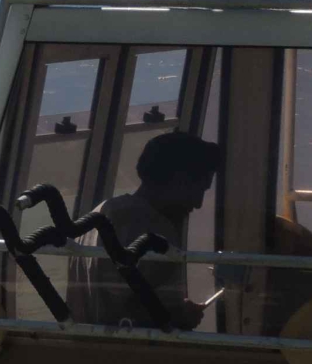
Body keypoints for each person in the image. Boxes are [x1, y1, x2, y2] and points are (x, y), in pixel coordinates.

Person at [74, 131, 221, 330]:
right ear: (180, 179)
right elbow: (123, 312)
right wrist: (178, 316)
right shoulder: (148, 225)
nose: (198, 203)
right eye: (199, 189)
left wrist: (173, 307)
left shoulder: (101, 214)